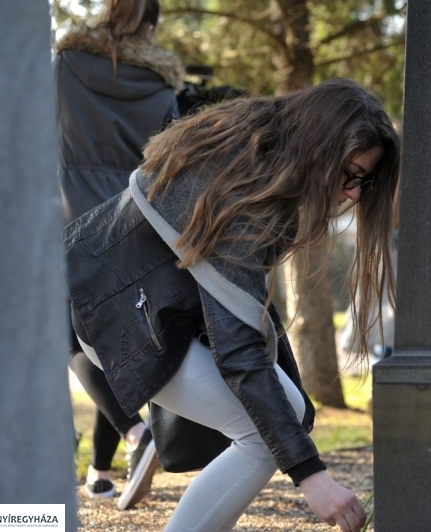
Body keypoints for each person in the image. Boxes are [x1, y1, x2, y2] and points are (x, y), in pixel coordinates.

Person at [63, 77, 400, 531]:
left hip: (130, 301)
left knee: (288, 413)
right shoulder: (242, 191)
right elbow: (240, 349)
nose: (355, 193)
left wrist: (296, 421)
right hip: (111, 312)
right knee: (264, 436)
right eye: (350, 174)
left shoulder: (254, 155)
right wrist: (311, 475)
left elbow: (242, 303)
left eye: (365, 180)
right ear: (320, 145)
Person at [55, 0, 182, 508]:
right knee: (112, 342)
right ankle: (101, 471)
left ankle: (135, 433)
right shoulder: (160, 85)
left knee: (70, 340)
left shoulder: (65, 65)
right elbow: (170, 158)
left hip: (68, 216)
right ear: (148, 26)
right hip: (132, 222)